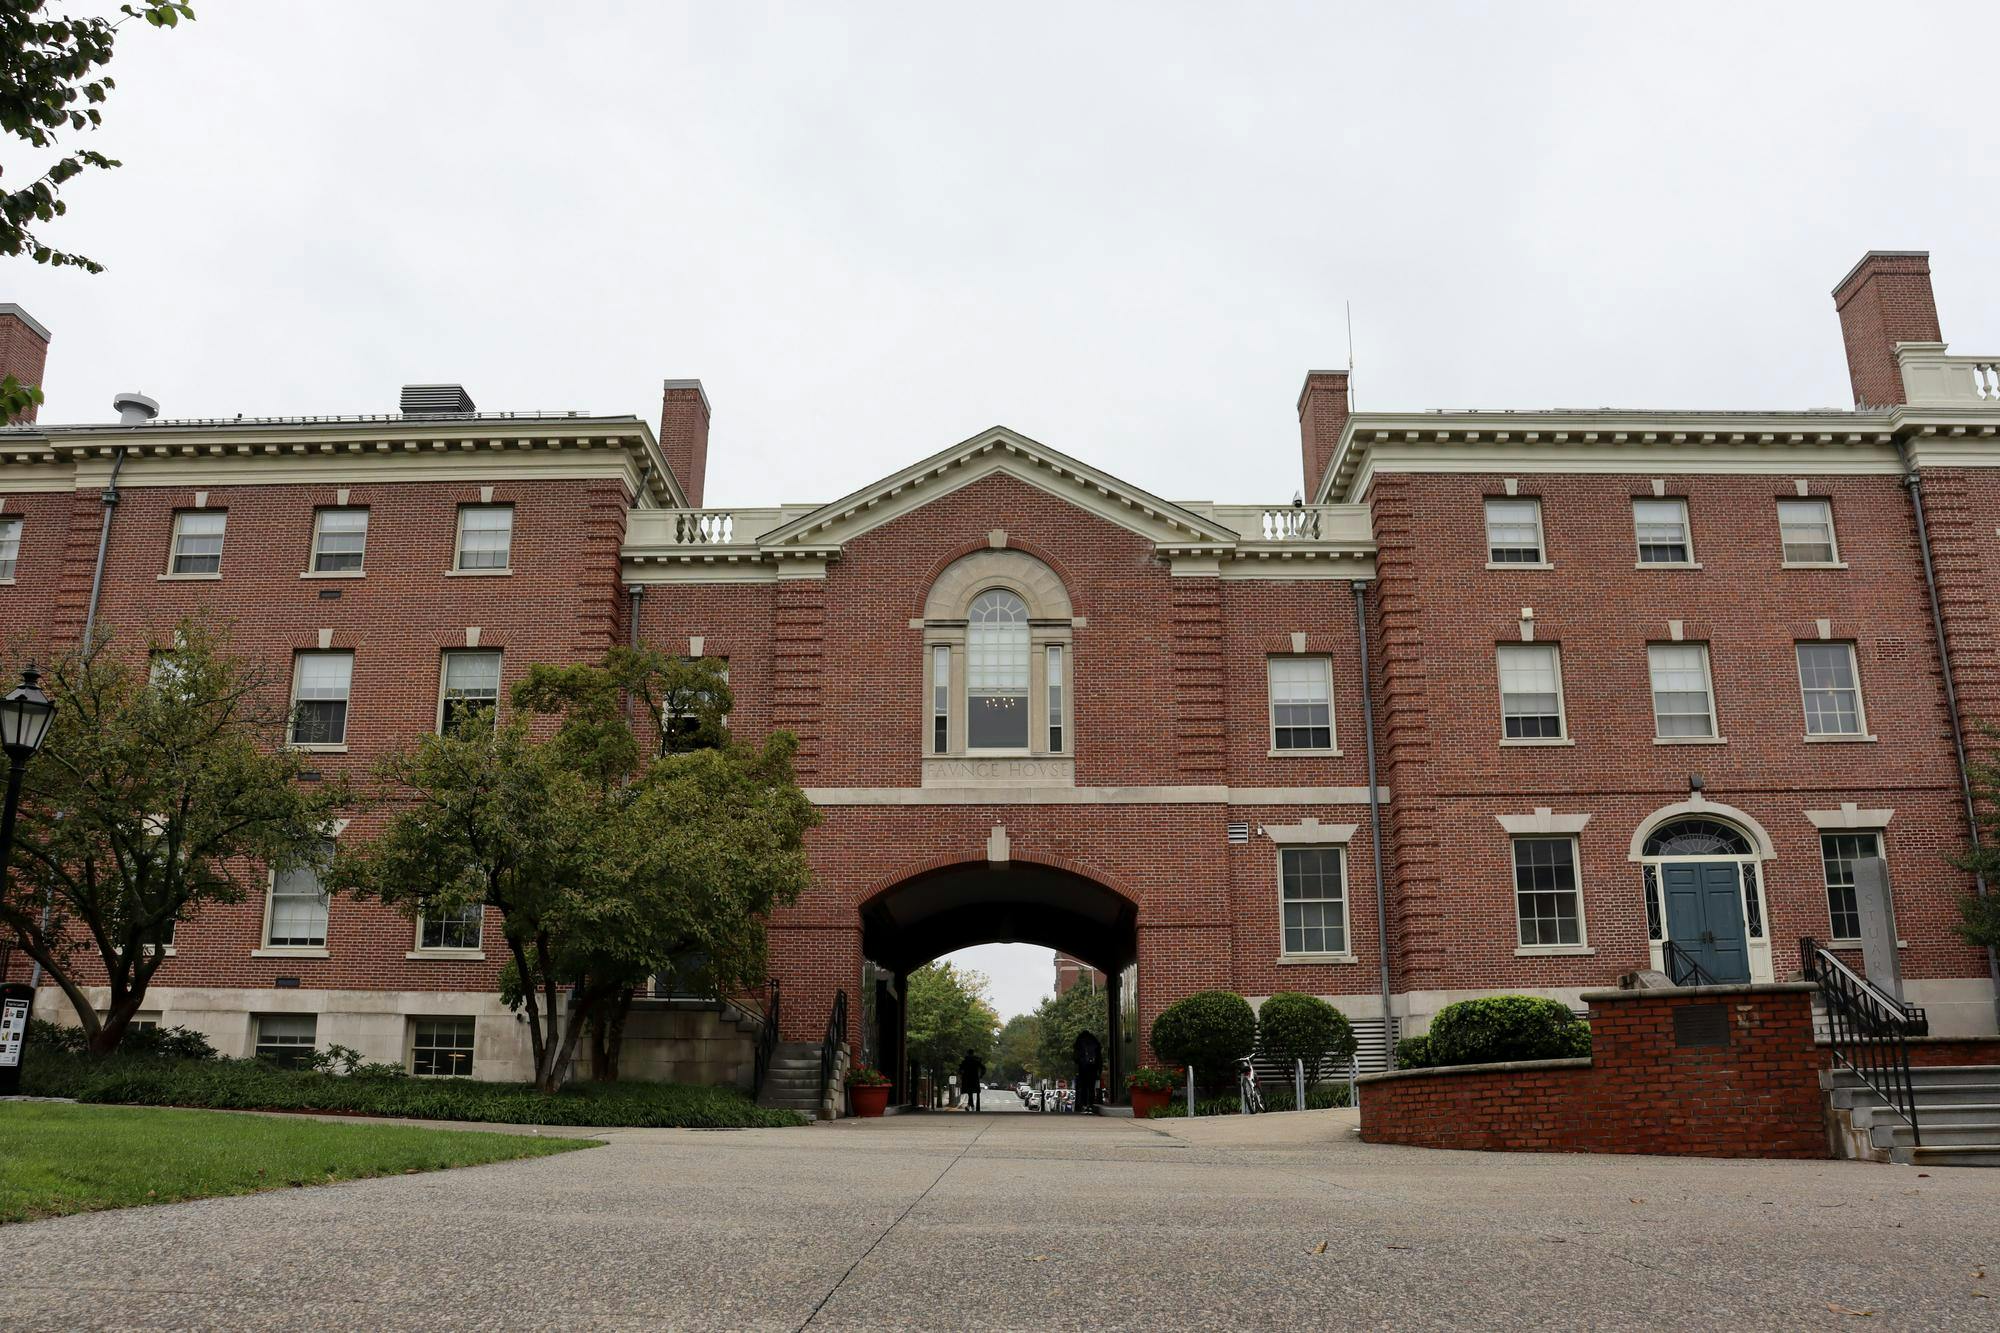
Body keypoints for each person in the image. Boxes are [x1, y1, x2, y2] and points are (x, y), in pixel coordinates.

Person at [1072, 1029, 1103, 1114]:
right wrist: (1099, 1069)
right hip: (1093, 1068)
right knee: (1091, 1087)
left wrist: (1079, 1062)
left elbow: (1075, 1057)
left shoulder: (1079, 1042)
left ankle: (1084, 1105)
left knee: (1083, 1087)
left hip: (1083, 1068)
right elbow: (1099, 1058)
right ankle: (1091, 1105)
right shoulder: (1094, 1042)